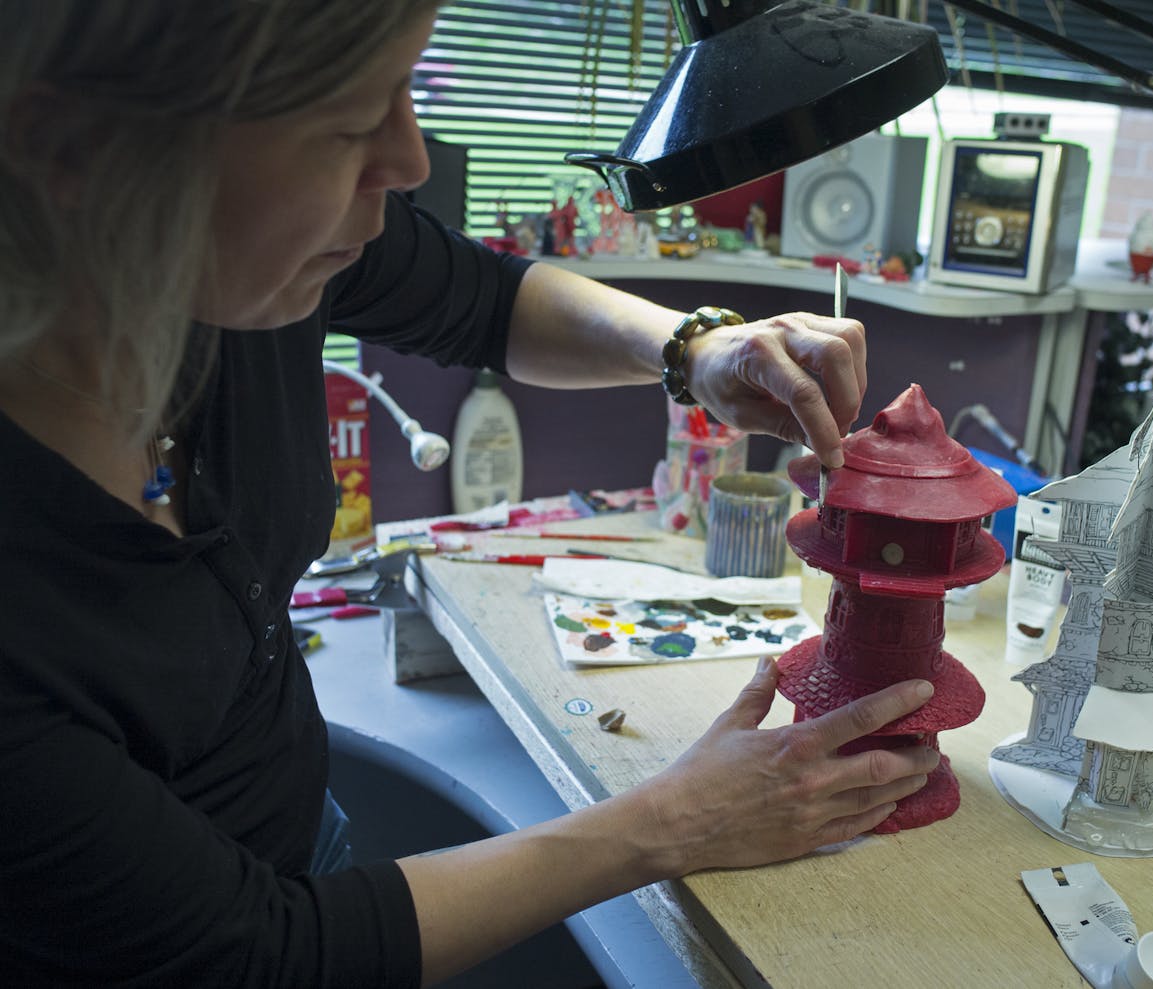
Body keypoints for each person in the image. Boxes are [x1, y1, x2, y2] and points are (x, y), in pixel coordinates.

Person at [0, 3, 939, 985]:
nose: (410, 158)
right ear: (71, 150)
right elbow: (261, 956)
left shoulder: (230, 266)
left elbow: (477, 299)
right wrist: (670, 820)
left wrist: (695, 350)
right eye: (349, 123)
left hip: (303, 840)